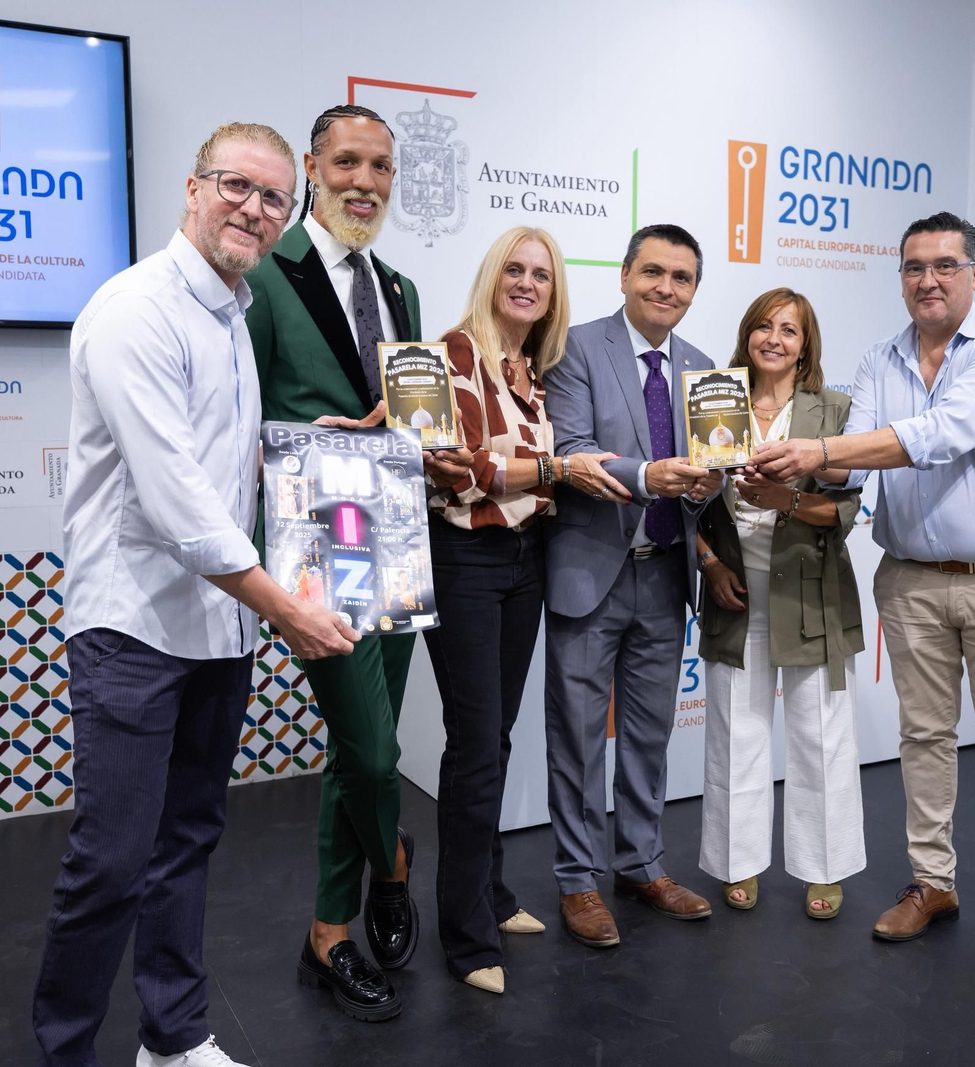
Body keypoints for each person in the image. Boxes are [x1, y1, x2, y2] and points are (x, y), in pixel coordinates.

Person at [34, 122, 356, 1067]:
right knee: (111, 861)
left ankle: (172, 1036)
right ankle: (65, 1052)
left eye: (273, 198)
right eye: (237, 186)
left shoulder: (229, 311)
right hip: (133, 627)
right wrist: (287, 608)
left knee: (185, 843)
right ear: (192, 187)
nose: (254, 209)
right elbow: (175, 498)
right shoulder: (136, 308)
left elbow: (221, 454)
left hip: (215, 627)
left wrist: (310, 437)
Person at [752, 211, 975, 962]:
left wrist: (814, 447)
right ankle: (933, 881)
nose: (928, 279)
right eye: (914, 266)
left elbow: (941, 435)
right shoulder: (878, 360)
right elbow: (855, 468)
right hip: (911, 580)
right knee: (923, 737)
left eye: (945, 265)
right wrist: (755, 454)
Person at [245, 104, 468, 1022]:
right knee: (373, 751)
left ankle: (328, 931)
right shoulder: (261, 272)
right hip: (314, 540)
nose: (364, 181)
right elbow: (233, 420)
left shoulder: (404, 289)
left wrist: (433, 445)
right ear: (311, 164)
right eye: (347, 162)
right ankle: (394, 859)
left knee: (357, 750)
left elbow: (408, 422)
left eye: (380, 165)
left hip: (397, 536)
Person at [421, 226, 627, 993]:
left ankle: (493, 893)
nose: (527, 283)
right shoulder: (451, 353)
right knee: (473, 747)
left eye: (541, 274)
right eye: (515, 268)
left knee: (496, 739)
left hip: (526, 559)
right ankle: (466, 935)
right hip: (465, 560)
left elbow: (516, 475)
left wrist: (543, 473)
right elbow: (459, 471)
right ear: (491, 276)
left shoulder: (535, 370)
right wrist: (553, 466)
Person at [544, 224, 725, 947]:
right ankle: (577, 879)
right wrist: (648, 475)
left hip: (665, 575)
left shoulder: (705, 367)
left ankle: (642, 862)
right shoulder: (578, 346)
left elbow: (707, 480)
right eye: (653, 271)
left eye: (682, 278)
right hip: (591, 572)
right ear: (624, 275)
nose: (666, 288)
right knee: (580, 740)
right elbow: (571, 450)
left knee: (649, 736)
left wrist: (714, 482)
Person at [694, 287, 866, 919]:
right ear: (747, 334)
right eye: (763, 326)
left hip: (812, 592)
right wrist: (708, 561)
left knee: (821, 735)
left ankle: (824, 867)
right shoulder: (712, 401)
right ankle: (737, 862)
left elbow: (844, 512)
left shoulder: (835, 411)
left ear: (805, 346)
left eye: (789, 330)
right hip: (733, 592)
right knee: (735, 734)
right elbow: (681, 501)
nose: (774, 338)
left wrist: (782, 502)